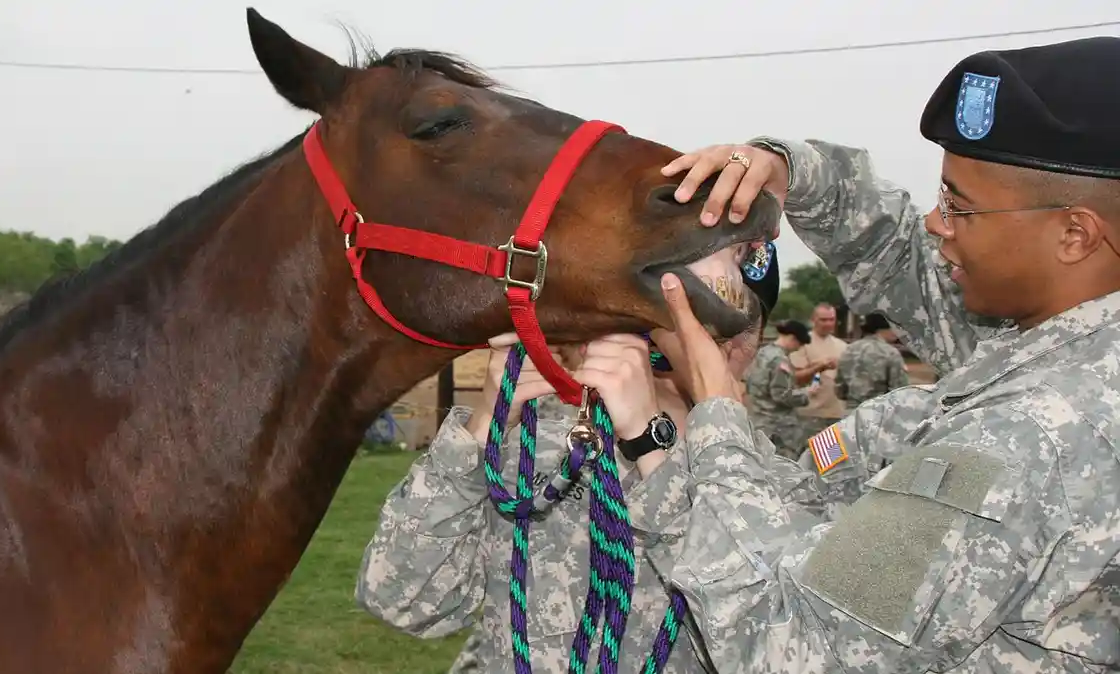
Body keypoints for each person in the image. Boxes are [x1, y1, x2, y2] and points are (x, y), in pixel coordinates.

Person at [647, 36, 1120, 670]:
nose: (935, 222)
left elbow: (789, 645)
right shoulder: (1062, 342)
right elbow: (900, 258)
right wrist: (791, 171)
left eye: (960, 205)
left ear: (1073, 235)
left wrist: (715, 413)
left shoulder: (1036, 431)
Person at [356, 246, 798, 674]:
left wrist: (651, 447)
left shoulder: (774, 487)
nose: (710, 342)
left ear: (752, 343)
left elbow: (777, 650)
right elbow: (401, 599)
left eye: (728, 324)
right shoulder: (540, 445)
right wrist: (483, 431)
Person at [742, 318, 818, 459]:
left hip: (759, 421)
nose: (798, 349)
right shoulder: (779, 360)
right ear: (792, 338)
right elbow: (781, 395)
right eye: (799, 344)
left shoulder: (763, 352)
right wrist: (806, 393)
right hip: (778, 428)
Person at [789, 303, 847, 447]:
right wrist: (818, 367)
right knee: (805, 462)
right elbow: (795, 378)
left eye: (831, 319)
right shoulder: (801, 343)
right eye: (823, 320)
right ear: (813, 320)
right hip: (809, 415)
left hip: (835, 415)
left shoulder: (843, 346)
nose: (828, 323)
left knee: (830, 463)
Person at [834, 311, 910, 408]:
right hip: (877, 416)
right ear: (883, 328)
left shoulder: (849, 350)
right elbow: (900, 393)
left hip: (850, 416)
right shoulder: (890, 353)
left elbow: (840, 391)